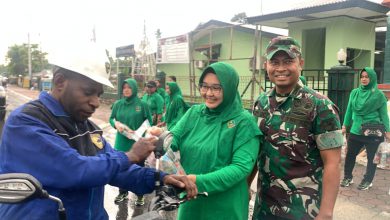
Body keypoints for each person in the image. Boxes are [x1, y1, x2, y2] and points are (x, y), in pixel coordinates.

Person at [0, 46, 197, 220]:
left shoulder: (87, 127)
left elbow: (115, 168)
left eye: (99, 95)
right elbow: (73, 170)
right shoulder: (26, 122)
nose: (95, 102)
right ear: (60, 82)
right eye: (88, 92)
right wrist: (130, 155)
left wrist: (159, 178)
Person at [149, 62, 262, 220]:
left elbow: (241, 168)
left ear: (229, 88)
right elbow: (173, 140)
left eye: (217, 88)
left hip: (225, 206)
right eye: (204, 86)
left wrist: (196, 181)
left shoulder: (244, 122)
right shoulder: (195, 113)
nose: (209, 93)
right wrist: (159, 138)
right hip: (191, 201)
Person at [250, 36, 343, 220]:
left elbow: (333, 163)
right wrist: (245, 186)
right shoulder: (260, 104)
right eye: (274, 62)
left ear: (300, 63)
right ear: (266, 65)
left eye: (288, 61)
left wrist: (326, 213)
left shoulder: (321, 106)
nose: (281, 68)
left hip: (303, 211)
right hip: (265, 208)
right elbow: (254, 152)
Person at [340, 67, 390, 190]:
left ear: (372, 78)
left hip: (373, 131)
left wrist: (388, 131)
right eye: (362, 76)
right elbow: (349, 110)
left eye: (367, 77)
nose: (364, 79)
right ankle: (348, 177)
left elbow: (384, 115)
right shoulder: (354, 92)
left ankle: (368, 180)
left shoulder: (379, 95)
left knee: (372, 158)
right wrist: (345, 125)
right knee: (350, 155)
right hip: (356, 130)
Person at [109, 78, 152, 205]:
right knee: (121, 168)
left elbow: (149, 121)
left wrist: (139, 133)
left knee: (138, 169)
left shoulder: (142, 104)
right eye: (124, 88)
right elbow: (111, 118)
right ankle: (122, 193)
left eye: (129, 87)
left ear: (134, 89)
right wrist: (116, 124)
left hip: (137, 142)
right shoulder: (118, 104)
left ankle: (140, 195)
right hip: (121, 142)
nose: (126, 90)